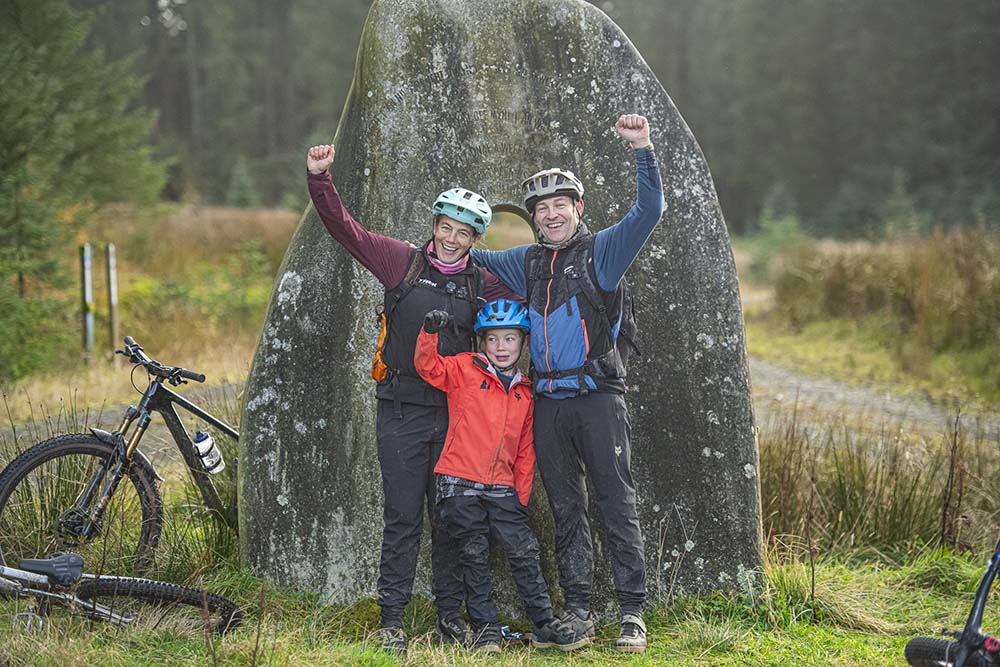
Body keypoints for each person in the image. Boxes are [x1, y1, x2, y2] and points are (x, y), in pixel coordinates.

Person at [306, 144, 517, 653]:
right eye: (446, 226)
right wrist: (319, 178)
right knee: (403, 517)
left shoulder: (482, 283)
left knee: (452, 518)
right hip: (399, 410)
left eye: (463, 233)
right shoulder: (400, 261)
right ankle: (392, 623)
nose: (451, 238)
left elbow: (522, 314)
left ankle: (452, 620)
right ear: (435, 224)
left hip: (454, 418)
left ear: (475, 240)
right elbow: (346, 231)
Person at [469, 114, 665, 653]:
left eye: (561, 205)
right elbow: (466, 256)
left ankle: (632, 613)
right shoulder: (526, 262)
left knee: (615, 501)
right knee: (565, 508)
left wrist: (642, 148)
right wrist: (445, 234)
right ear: (532, 218)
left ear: (578, 209)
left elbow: (650, 210)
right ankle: (578, 608)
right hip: (549, 403)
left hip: (599, 398)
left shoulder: (602, 251)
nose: (551, 214)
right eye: (541, 208)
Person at [414, 299, 591, 653]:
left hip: (502, 487)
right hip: (459, 481)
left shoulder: (525, 392)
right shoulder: (465, 369)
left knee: (524, 551)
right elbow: (428, 367)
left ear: (523, 343)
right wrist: (428, 333)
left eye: (509, 339)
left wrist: (520, 496)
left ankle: (543, 624)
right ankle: (486, 629)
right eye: (493, 340)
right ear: (482, 342)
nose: (501, 347)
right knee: (474, 551)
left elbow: (526, 450)